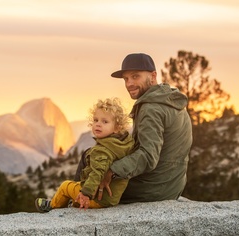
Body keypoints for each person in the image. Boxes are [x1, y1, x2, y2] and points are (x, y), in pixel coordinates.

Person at [77, 53, 193, 203]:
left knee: (91, 157)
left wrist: (112, 171)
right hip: (172, 185)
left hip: (151, 189)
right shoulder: (170, 100)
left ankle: (77, 202)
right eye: (126, 79)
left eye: (135, 76)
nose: (129, 83)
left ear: (153, 76)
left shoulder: (151, 109)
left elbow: (148, 156)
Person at [35, 98, 134, 212]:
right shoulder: (124, 143)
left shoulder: (102, 150)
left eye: (104, 121)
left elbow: (97, 173)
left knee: (65, 186)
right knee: (77, 186)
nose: (98, 124)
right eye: (96, 120)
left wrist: (86, 193)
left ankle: (52, 206)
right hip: (112, 198)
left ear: (117, 128)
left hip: (97, 199)